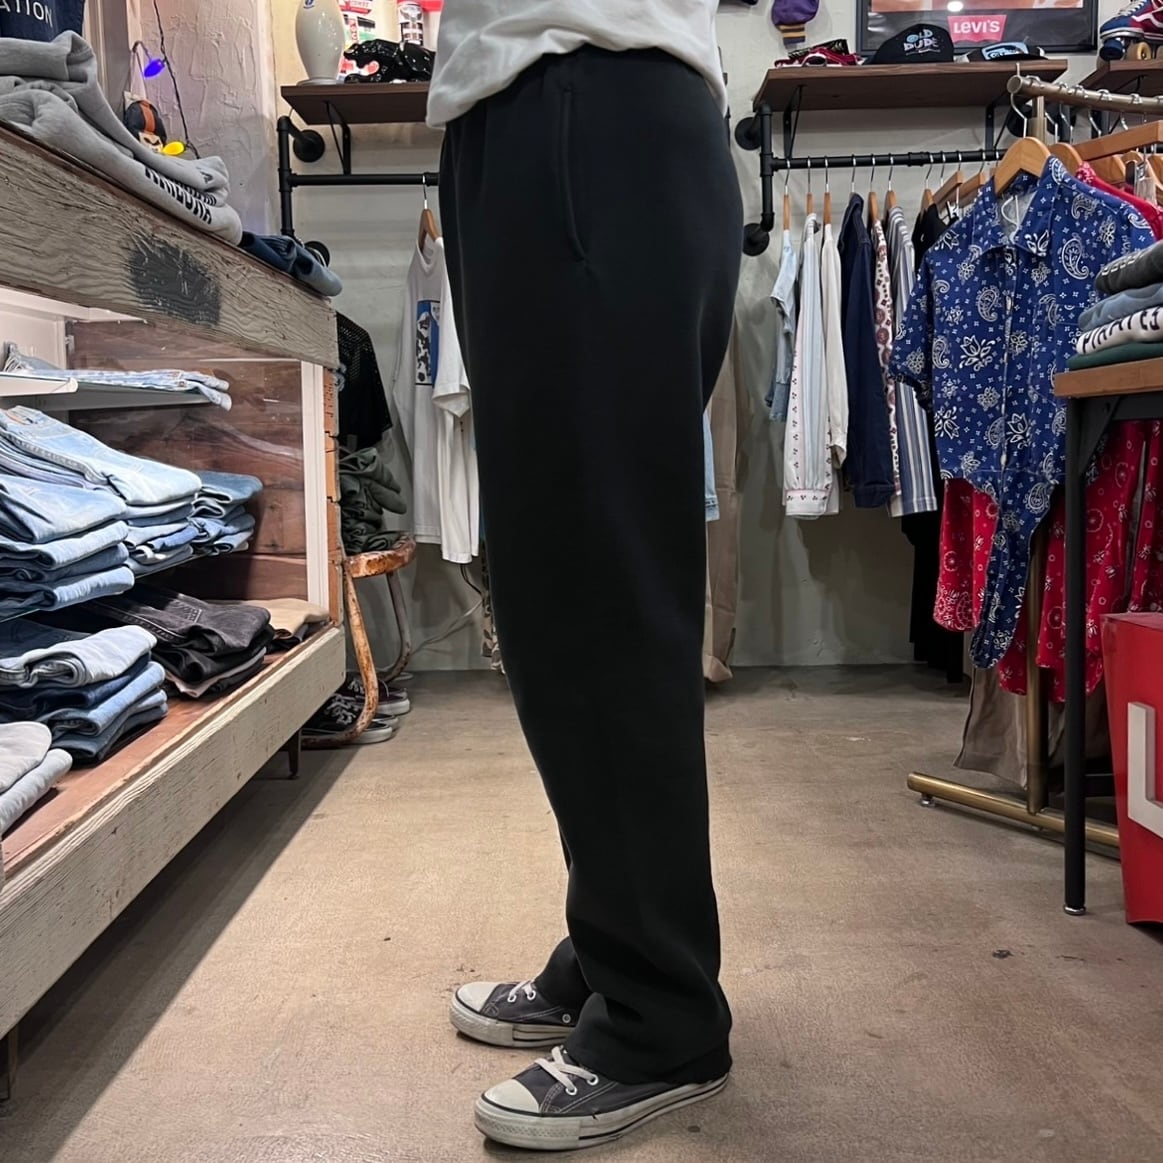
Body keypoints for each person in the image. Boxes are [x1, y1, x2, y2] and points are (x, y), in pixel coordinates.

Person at [429, 2, 742, 1151]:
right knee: (564, 578)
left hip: (581, 102)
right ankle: (621, 948)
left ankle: (661, 1016)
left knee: (595, 587)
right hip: (547, 109)